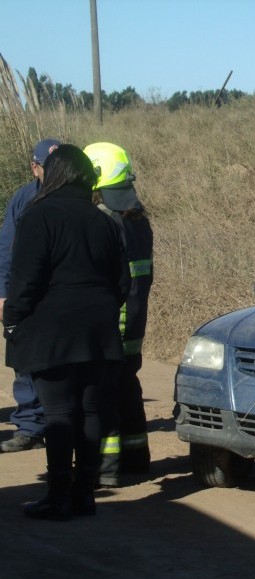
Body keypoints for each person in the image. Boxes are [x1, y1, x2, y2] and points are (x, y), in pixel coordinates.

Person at [2, 144, 130, 520]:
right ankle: (84, 495)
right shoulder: (104, 221)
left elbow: (25, 278)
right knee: (90, 410)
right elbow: (122, 283)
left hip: (51, 332)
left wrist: (13, 320)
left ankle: (57, 496)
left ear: (52, 173)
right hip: (98, 331)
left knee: (58, 412)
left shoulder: (38, 216)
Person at [84, 142, 153, 486]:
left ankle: (107, 468)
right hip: (136, 320)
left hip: (118, 321)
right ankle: (137, 457)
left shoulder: (110, 221)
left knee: (105, 391)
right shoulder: (137, 217)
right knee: (128, 385)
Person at [0, 138, 60, 453]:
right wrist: (3, 294)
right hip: (26, 294)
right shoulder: (22, 200)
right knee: (24, 362)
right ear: (33, 167)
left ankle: (60, 427)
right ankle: (30, 427)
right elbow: (6, 250)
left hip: (61, 296)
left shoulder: (76, 199)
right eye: (45, 168)